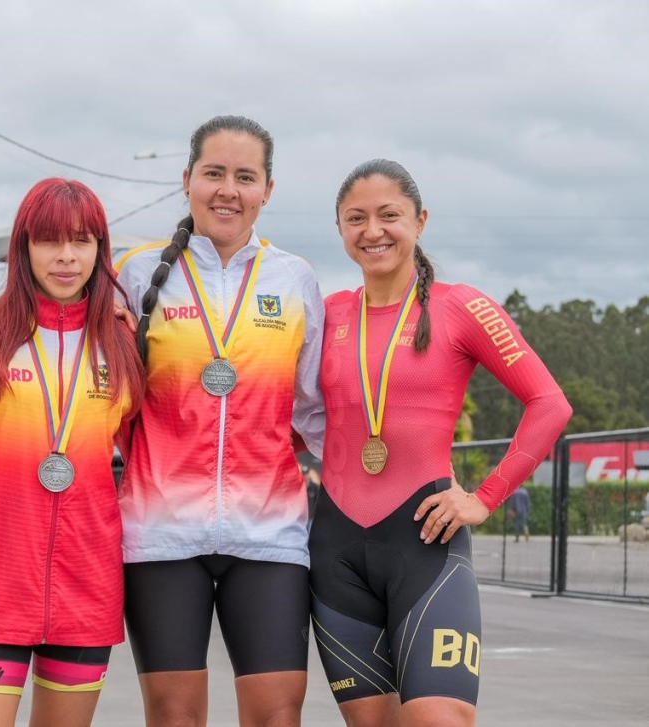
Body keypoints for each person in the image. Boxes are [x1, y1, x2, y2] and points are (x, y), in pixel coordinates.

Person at [309, 159, 572, 726]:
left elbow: (550, 404)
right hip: (335, 552)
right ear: (338, 227)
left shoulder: (462, 307)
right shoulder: (325, 314)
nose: (372, 230)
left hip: (425, 541)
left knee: (439, 717)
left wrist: (484, 497)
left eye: (389, 215)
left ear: (420, 220)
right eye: (356, 218)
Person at [116, 116, 324, 727]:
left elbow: (314, 412)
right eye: (213, 173)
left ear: (268, 189)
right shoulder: (134, 274)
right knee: (175, 718)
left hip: (270, 535)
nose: (227, 189)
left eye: (244, 176)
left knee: (276, 717)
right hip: (159, 534)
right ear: (187, 180)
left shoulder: (295, 279)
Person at [0, 178, 144, 727]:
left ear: (101, 250)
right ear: (23, 246)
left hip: (87, 581)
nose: (66, 257)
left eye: (82, 241)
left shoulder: (124, 343)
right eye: (49, 241)